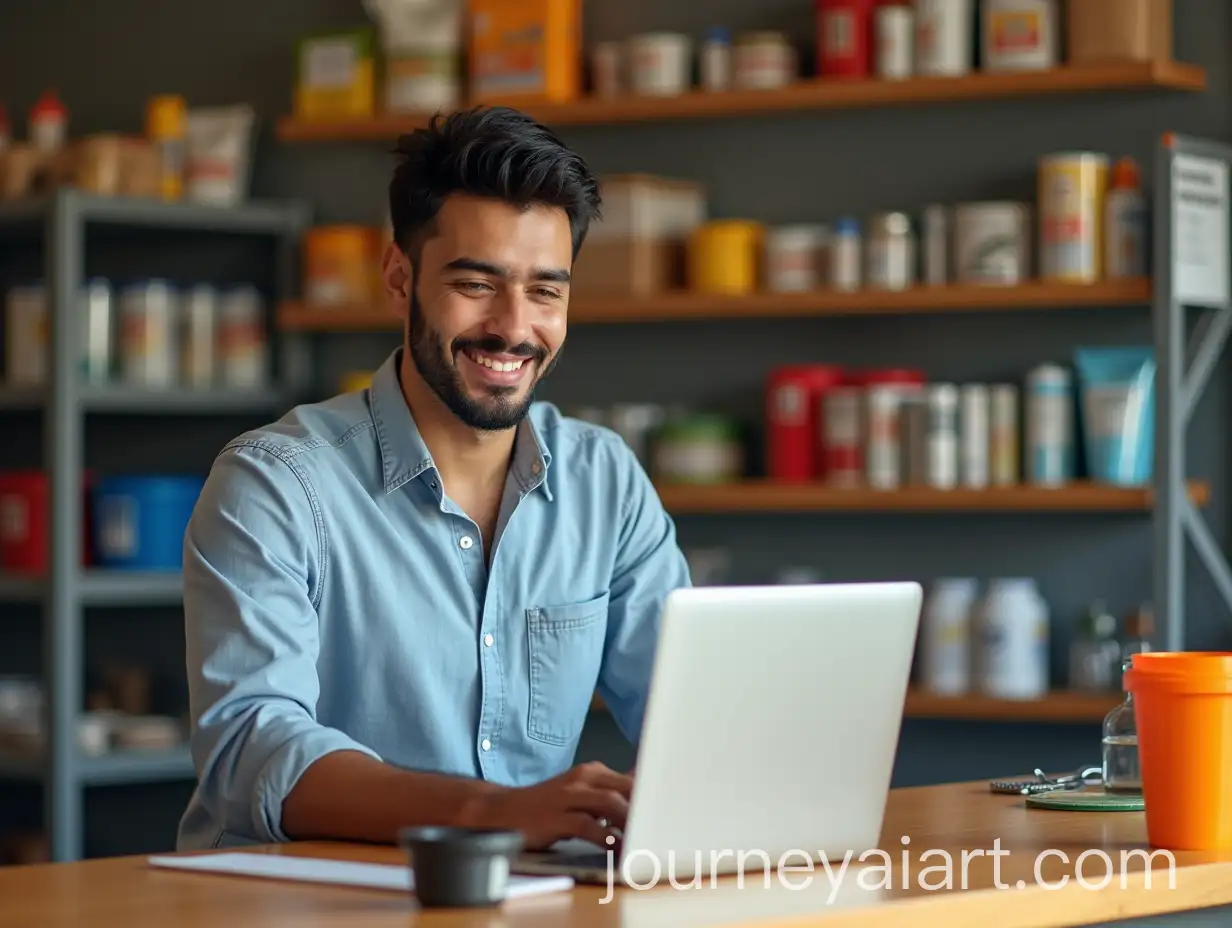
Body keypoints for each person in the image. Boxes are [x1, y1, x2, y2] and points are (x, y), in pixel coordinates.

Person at [176, 106, 691, 852]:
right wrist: (497, 815)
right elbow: (252, 750)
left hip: (526, 899)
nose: (514, 327)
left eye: (546, 291)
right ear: (399, 278)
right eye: (477, 283)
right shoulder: (274, 484)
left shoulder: (604, 480)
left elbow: (690, 711)